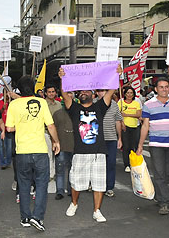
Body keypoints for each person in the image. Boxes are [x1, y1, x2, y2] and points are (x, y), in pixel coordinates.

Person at [59, 66, 121, 223]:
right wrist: (63, 78)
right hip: (80, 152)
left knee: (99, 184)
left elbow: (111, 91)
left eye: (87, 91)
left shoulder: (99, 107)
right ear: (78, 95)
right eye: (81, 91)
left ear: (93, 94)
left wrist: (116, 74)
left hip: (98, 152)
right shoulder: (74, 108)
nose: (84, 93)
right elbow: (65, 95)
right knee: (76, 182)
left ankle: (97, 210)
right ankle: (74, 203)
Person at [6, 76, 60, 232]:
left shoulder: (14, 104)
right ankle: (37, 217)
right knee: (41, 185)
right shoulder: (42, 103)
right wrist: (56, 141)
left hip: (22, 151)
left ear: (19, 90)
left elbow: (9, 128)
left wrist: (21, 126)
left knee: (23, 185)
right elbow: (50, 126)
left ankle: (25, 217)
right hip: (40, 150)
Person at [136, 78, 169, 215]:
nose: (164, 89)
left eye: (167, 87)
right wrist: (140, 145)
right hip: (156, 144)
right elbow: (145, 126)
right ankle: (164, 202)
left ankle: (159, 195)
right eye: (161, 87)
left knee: (168, 173)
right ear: (156, 89)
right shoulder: (148, 104)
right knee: (159, 173)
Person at [44, 85, 74, 201]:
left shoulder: (77, 112)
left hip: (73, 145)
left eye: (70, 98)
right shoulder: (57, 113)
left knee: (72, 169)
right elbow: (53, 127)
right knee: (60, 169)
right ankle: (60, 191)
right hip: (60, 144)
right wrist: (54, 142)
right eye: (67, 98)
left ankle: (72, 190)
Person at [95, 89, 123, 198]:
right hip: (97, 140)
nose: (103, 93)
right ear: (97, 93)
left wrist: (119, 138)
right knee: (96, 164)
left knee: (110, 164)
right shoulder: (93, 104)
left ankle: (109, 187)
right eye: (101, 91)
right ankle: (95, 185)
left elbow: (118, 121)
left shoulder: (114, 105)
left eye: (105, 91)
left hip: (111, 139)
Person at [118, 86, 141, 173]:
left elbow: (138, 114)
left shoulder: (136, 103)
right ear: (125, 93)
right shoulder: (120, 102)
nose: (129, 95)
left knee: (134, 146)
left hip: (135, 127)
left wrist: (126, 114)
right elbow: (118, 114)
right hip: (124, 127)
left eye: (131, 93)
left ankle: (133, 163)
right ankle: (126, 164)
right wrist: (122, 123)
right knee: (126, 146)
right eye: (128, 93)